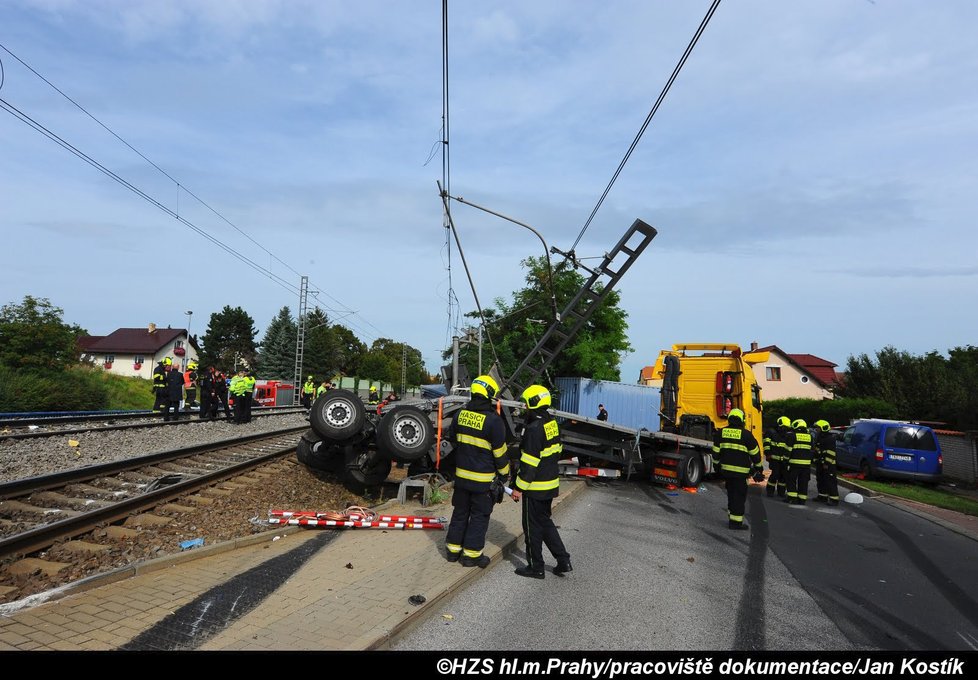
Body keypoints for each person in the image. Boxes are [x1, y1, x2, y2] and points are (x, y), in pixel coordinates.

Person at [444, 375, 510, 568]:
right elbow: (500, 454)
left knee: (460, 513)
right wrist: (504, 475)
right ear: (490, 394)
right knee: (479, 517)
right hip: (483, 481)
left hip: (462, 478)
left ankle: (452, 552)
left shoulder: (460, 415)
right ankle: (471, 556)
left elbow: (454, 440)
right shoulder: (494, 421)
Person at [511, 385, 572, 579]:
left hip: (534, 488)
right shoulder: (552, 423)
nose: (525, 408)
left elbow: (529, 465)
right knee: (545, 523)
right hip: (550, 484)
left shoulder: (533, 430)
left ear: (533, 404)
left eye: (526, 405)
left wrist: (518, 488)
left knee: (532, 528)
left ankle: (535, 567)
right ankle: (563, 560)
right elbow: (556, 452)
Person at [711, 408, 762, 530]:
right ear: (742, 420)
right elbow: (755, 453)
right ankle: (736, 522)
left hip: (727, 472)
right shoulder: (746, 435)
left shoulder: (721, 433)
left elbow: (715, 453)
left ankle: (731, 515)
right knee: (739, 497)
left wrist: (716, 466)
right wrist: (758, 468)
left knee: (731, 494)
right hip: (741, 474)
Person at [785, 419, 814, 505]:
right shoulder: (810, 436)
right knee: (803, 482)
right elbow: (812, 451)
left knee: (791, 480)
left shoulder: (792, 436)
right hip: (806, 465)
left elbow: (788, 450)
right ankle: (802, 499)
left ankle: (792, 498)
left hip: (794, 464)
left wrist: (785, 460)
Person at [764, 416, 792, 498]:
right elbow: (766, 444)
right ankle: (770, 491)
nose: (785, 429)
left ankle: (781, 492)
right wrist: (768, 454)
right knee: (775, 475)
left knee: (783, 477)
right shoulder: (771, 432)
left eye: (787, 428)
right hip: (774, 458)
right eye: (784, 427)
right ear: (780, 425)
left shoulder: (787, 435)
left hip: (784, 460)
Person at [814, 420, 840, 505]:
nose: (816, 429)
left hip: (828, 465)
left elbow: (831, 453)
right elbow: (817, 449)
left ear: (823, 428)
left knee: (830, 481)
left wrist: (826, 463)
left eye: (818, 427)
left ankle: (834, 499)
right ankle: (822, 496)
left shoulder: (830, 438)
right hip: (820, 463)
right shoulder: (819, 437)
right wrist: (815, 459)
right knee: (820, 480)